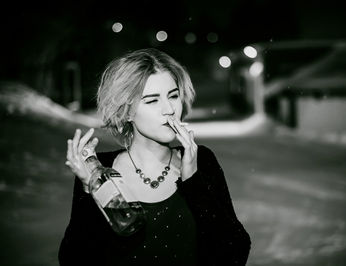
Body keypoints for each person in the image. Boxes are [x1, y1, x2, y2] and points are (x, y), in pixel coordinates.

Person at [58, 48, 251, 266]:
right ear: (127, 111)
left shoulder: (201, 160)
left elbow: (235, 253)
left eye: (173, 96)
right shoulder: (99, 171)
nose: (169, 109)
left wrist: (193, 181)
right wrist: (90, 190)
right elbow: (73, 260)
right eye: (152, 100)